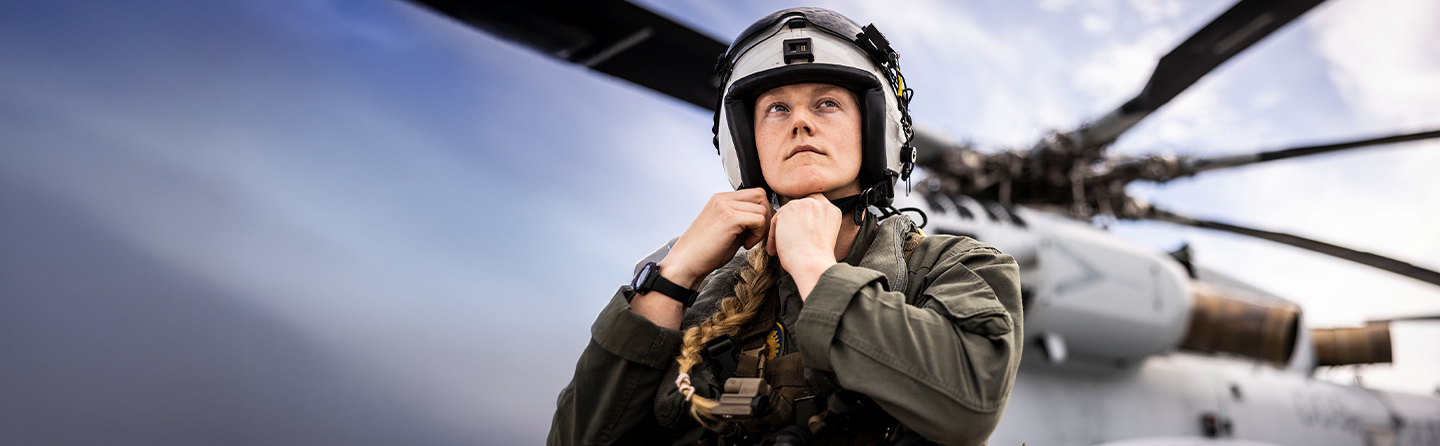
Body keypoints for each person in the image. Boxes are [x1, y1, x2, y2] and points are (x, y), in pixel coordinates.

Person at [549, 8, 1022, 446]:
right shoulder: (705, 293)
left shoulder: (953, 267)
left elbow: (970, 404)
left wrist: (815, 266)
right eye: (776, 108)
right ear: (747, 143)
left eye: (827, 104)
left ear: (875, 130)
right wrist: (673, 278)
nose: (799, 122)